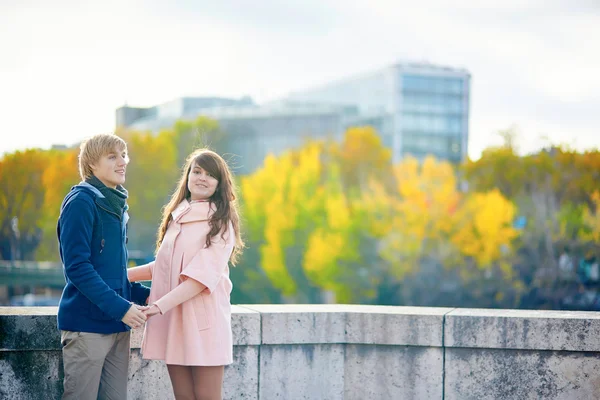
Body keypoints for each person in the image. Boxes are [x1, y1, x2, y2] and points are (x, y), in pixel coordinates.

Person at [128, 149, 244, 400]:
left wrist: (157, 306)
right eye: (197, 171)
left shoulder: (222, 223)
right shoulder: (177, 216)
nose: (202, 178)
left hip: (204, 324)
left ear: (219, 184)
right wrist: (118, 276)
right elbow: (163, 267)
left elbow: (199, 280)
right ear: (188, 175)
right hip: (174, 320)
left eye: (210, 175)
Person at [57, 133, 150, 400]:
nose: (123, 162)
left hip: (116, 327)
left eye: (124, 155)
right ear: (92, 165)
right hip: (87, 328)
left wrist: (141, 295)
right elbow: (77, 269)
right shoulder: (81, 203)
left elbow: (112, 272)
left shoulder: (115, 203)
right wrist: (122, 308)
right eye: (113, 156)